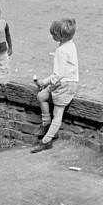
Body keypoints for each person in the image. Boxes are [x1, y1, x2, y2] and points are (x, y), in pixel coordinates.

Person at [31, 17, 79, 153]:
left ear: (60, 36)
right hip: (70, 82)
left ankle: (46, 141)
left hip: (64, 85)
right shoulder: (70, 44)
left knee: (58, 113)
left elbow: (58, 75)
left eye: (53, 34)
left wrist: (44, 82)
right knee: (41, 96)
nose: (52, 36)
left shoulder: (61, 51)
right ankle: (46, 124)